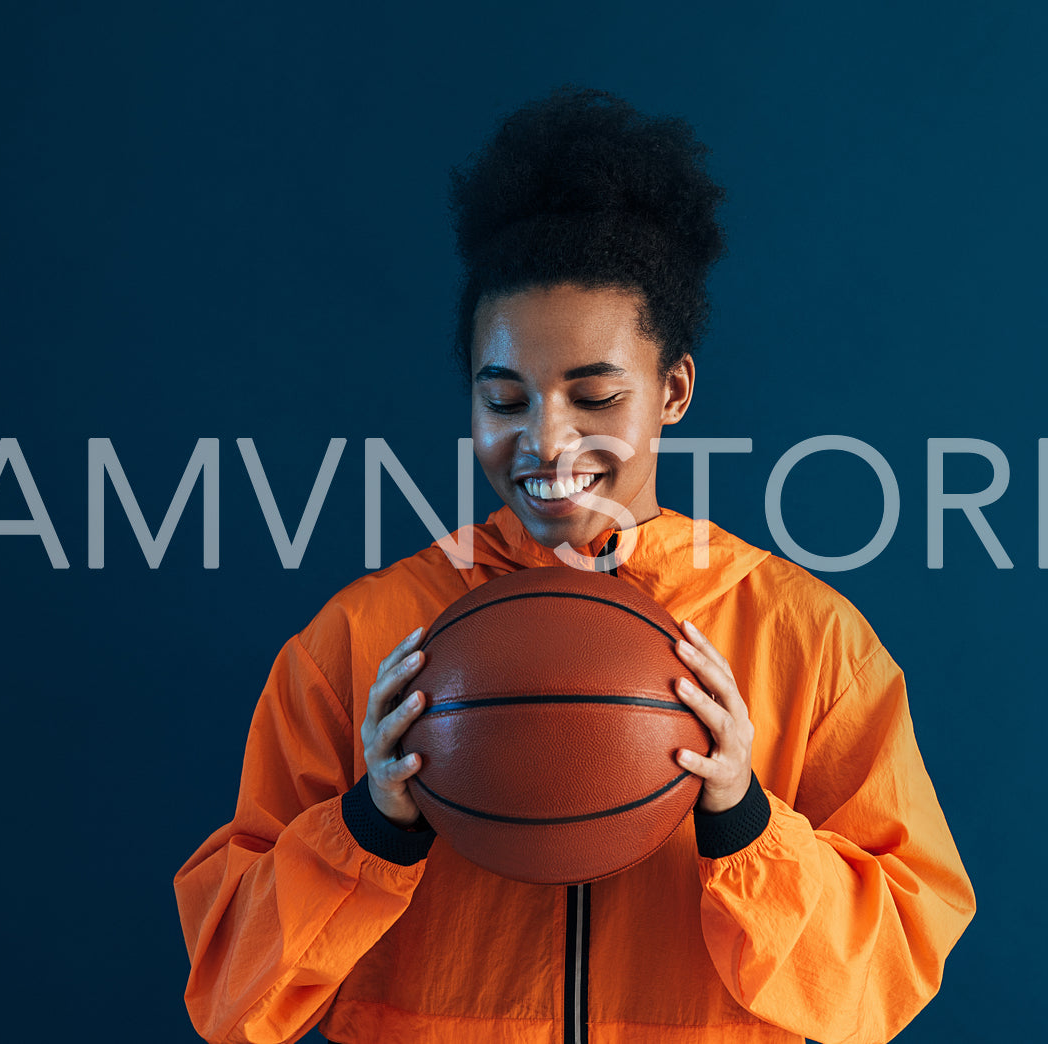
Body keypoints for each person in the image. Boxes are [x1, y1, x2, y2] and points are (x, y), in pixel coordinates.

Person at [174, 85, 975, 1044]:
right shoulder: (361, 640)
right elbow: (230, 992)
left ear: (672, 390)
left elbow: (891, 970)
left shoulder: (805, 639)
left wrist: (743, 822)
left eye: (594, 396)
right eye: (504, 399)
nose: (546, 441)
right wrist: (369, 829)